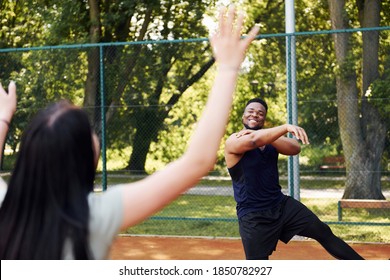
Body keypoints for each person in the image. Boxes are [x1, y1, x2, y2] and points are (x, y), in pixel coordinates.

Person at [0, 6, 259, 259]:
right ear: (82, 157)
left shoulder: (6, 207)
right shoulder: (96, 216)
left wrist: (3, 118)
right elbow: (197, 162)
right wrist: (227, 68)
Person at [224, 97, 364, 260]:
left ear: (264, 118)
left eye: (260, 113)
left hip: (281, 206)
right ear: (243, 115)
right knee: (258, 265)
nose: (255, 115)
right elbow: (254, 141)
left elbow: (294, 148)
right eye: (251, 111)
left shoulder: (271, 142)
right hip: (254, 216)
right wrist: (285, 127)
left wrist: (266, 134)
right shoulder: (233, 141)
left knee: (323, 232)